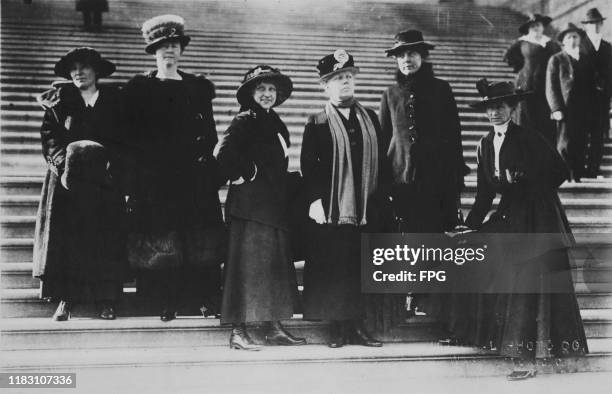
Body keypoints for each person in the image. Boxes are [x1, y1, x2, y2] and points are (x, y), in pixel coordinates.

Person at [465, 78, 587, 380]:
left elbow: (559, 171)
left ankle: (530, 357)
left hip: (539, 217)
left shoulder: (528, 138)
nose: (494, 112)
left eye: (500, 107)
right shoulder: (484, 144)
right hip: (511, 215)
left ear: (512, 108)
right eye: (489, 108)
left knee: (529, 281)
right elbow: (484, 194)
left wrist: (528, 182)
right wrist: (467, 225)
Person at [121, 15, 225, 322]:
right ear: (154, 51)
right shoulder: (139, 88)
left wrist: (208, 169)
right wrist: (135, 179)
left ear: (182, 50)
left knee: (197, 238)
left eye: (175, 45)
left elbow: (209, 133)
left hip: (192, 178)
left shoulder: (197, 88)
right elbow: (128, 137)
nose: (170, 50)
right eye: (163, 46)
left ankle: (202, 299)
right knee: (161, 239)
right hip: (155, 179)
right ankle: (163, 301)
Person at [300, 50, 387, 348]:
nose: (345, 82)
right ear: (325, 86)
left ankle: (359, 327)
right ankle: (337, 328)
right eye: (338, 79)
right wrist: (314, 201)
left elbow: (383, 163)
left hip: (366, 206)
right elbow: (308, 167)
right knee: (336, 267)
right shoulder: (317, 122)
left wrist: (383, 199)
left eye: (349, 76)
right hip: (333, 210)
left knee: (361, 266)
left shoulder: (371, 118)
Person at [33, 47, 127, 321]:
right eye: (73, 68)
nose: (78, 73)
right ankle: (66, 299)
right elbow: (50, 138)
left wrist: (114, 165)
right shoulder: (59, 104)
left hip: (105, 182)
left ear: (96, 71)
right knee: (69, 239)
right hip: (68, 185)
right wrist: (64, 166)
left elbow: (126, 137)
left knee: (106, 238)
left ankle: (107, 299)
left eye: (84, 67)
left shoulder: (115, 101)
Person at [380, 30, 467, 320]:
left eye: (412, 53)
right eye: (401, 55)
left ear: (423, 56)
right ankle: (409, 294)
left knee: (433, 237)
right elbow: (384, 139)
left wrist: (455, 180)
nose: (407, 59)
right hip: (402, 181)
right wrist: (384, 181)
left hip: (436, 180)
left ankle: (431, 298)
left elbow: (454, 136)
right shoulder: (390, 94)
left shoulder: (441, 89)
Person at [217, 65, 305, 350]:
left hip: (272, 208)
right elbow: (223, 153)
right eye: (261, 89)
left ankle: (273, 326)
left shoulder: (274, 122)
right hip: (250, 209)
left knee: (272, 268)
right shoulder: (245, 119)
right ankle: (238, 332)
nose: (267, 94)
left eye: (271, 89)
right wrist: (248, 172)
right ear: (250, 94)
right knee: (246, 268)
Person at [546, 23, 593, 182]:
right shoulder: (557, 59)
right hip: (565, 108)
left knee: (581, 141)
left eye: (575, 37)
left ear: (580, 39)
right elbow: (551, 87)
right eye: (569, 37)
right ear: (563, 41)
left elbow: (591, 83)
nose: (572, 40)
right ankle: (565, 175)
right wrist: (556, 108)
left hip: (584, 107)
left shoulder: (585, 59)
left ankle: (577, 175)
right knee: (565, 143)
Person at [504, 14, 560, 142]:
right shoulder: (522, 42)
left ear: (543, 27)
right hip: (527, 87)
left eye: (538, 25)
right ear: (529, 28)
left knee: (545, 121)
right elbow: (509, 58)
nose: (536, 28)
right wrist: (523, 71)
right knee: (527, 119)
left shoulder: (551, 44)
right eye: (533, 25)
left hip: (546, 86)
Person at [581, 8, 612, 177]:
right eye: (592, 23)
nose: (596, 26)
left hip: (601, 100)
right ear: (586, 26)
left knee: (598, 136)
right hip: (583, 99)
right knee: (581, 135)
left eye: (598, 23)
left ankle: (593, 170)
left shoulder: (608, 47)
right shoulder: (580, 45)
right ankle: (579, 169)